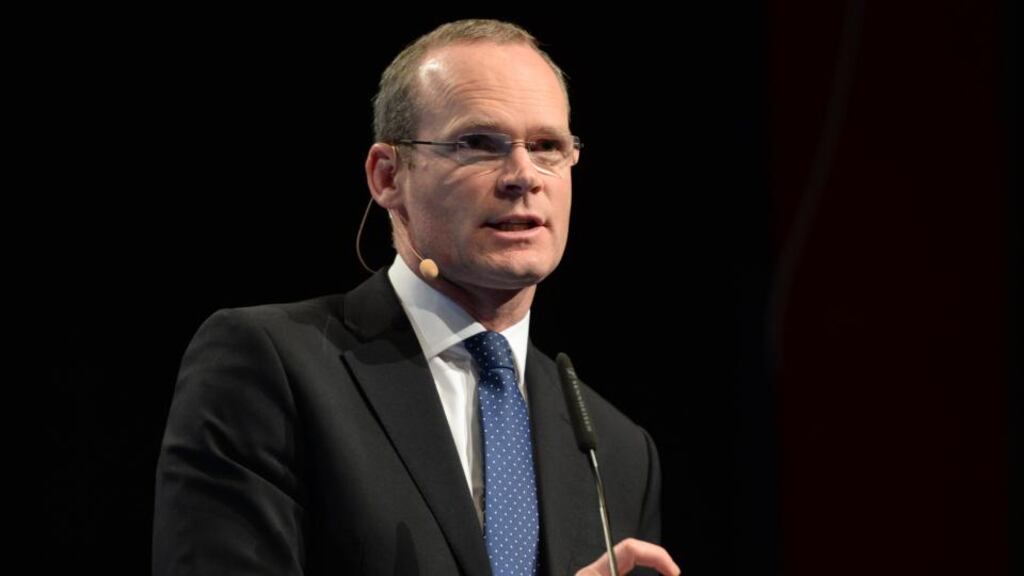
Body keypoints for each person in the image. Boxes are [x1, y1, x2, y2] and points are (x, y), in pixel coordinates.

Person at [153, 19, 680, 576]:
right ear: (388, 176)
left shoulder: (616, 452)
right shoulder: (271, 367)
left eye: (547, 146)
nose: (524, 175)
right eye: (479, 143)